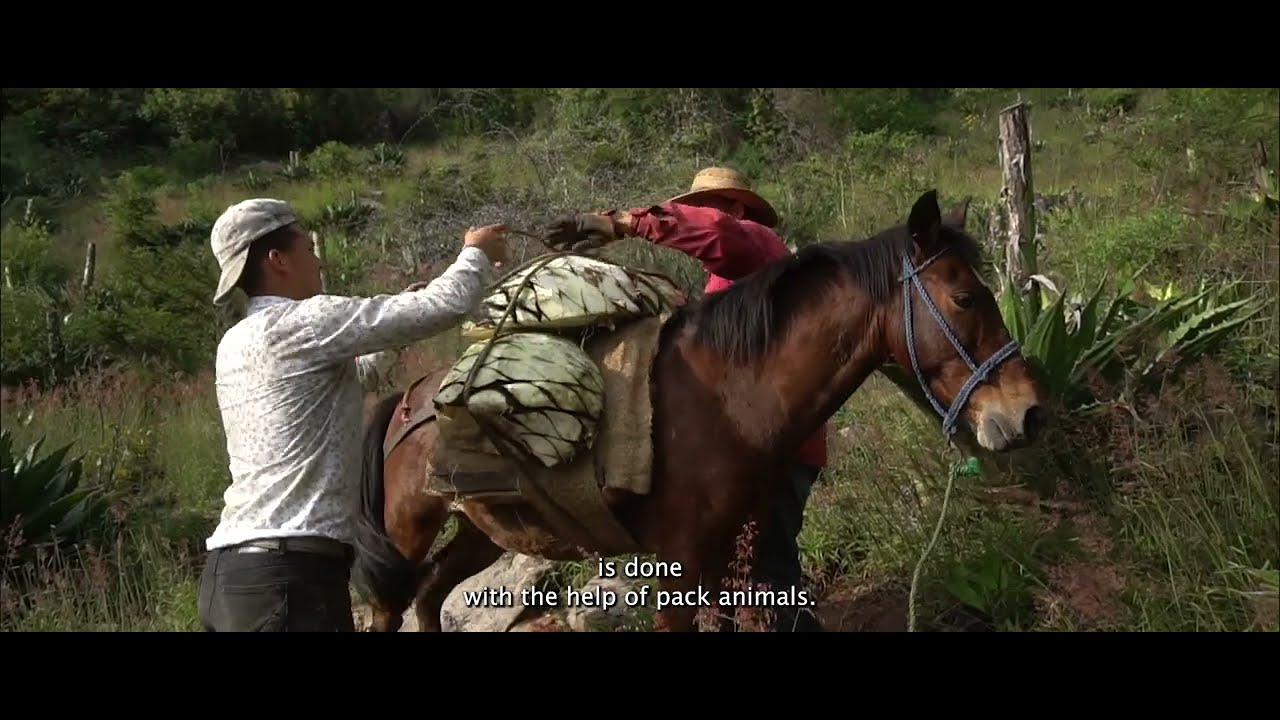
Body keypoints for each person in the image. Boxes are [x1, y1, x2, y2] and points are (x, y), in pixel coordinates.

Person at [199, 197, 510, 632]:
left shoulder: (237, 342)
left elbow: (347, 379)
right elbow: (446, 306)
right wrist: (476, 251)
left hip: (229, 581)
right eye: (308, 249)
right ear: (277, 260)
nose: (318, 261)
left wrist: (390, 333)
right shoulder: (304, 322)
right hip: (291, 583)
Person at [546, 166, 826, 632]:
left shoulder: (754, 243)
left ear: (736, 208)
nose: (696, 218)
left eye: (703, 208)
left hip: (777, 446)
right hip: (756, 444)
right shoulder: (733, 282)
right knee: (732, 575)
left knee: (770, 576)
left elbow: (716, 234)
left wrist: (625, 222)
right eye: (692, 210)